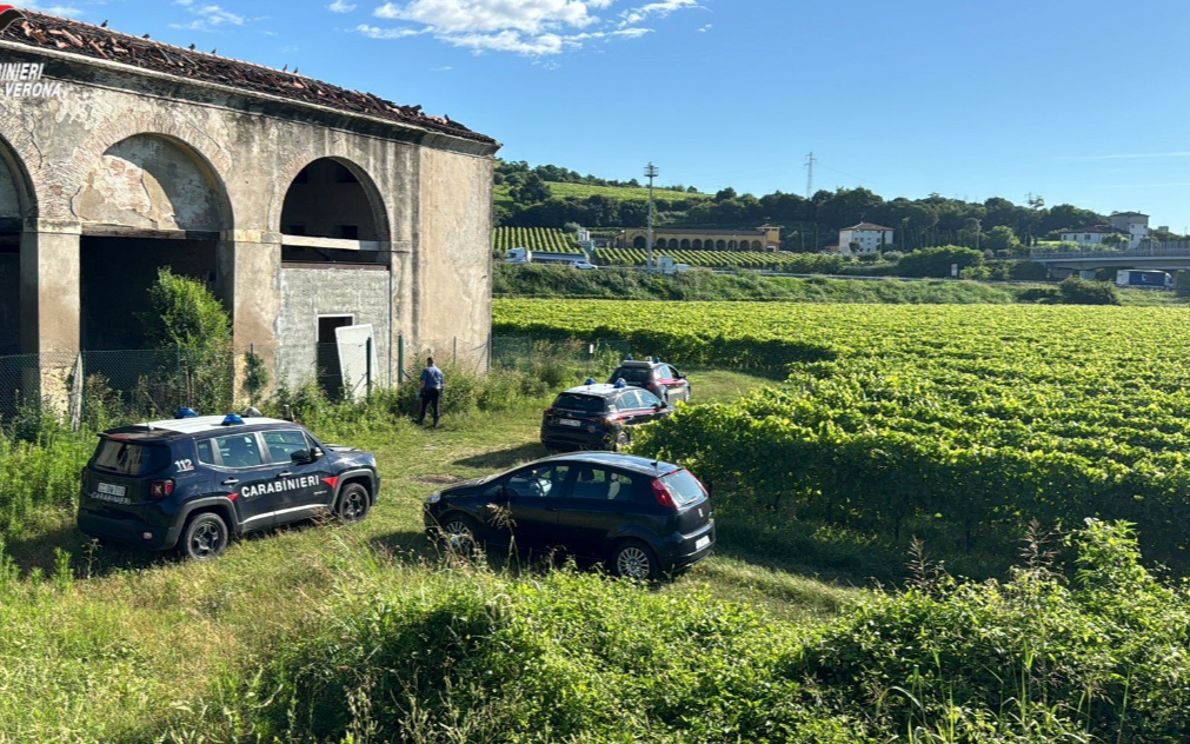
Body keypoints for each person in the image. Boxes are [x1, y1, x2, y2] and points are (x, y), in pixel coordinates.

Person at [416, 357, 445, 427]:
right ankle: (436, 423)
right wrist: (442, 391)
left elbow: (423, 382)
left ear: (428, 362)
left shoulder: (426, 370)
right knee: (436, 406)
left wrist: (419, 390)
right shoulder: (439, 371)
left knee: (424, 405)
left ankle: (421, 421)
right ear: (434, 362)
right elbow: (442, 383)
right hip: (437, 390)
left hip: (428, 390)